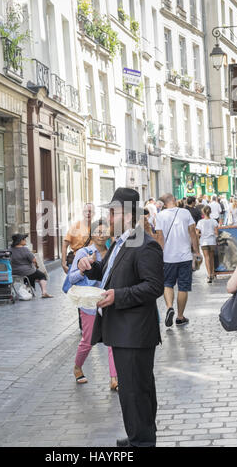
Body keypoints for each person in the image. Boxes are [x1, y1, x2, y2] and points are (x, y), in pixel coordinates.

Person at [78, 188, 164, 448]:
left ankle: (143, 441)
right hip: (123, 329)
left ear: (126, 215)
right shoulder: (121, 242)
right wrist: (90, 267)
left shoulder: (145, 245)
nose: (108, 217)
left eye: (112, 212)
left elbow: (154, 287)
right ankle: (139, 434)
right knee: (130, 389)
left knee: (137, 390)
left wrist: (118, 296)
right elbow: (108, 273)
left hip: (135, 331)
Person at [69, 219, 118, 390]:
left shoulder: (114, 251)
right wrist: (84, 267)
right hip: (89, 303)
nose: (101, 234)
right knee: (88, 341)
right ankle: (77, 367)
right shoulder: (83, 252)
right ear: (92, 233)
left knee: (113, 340)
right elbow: (71, 278)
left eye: (104, 231)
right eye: (97, 231)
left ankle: (114, 378)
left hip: (108, 301)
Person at [155, 194, 202, 327]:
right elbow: (193, 233)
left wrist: (160, 255)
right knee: (183, 287)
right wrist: (197, 251)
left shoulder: (160, 216)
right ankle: (180, 317)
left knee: (168, 284)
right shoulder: (185, 212)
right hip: (185, 256)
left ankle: (170, 307)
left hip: (168, 257)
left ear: (164, 204)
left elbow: (159, 237)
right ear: (174, 201)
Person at [10, 234, 53, 298]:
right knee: (42, 275)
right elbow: (34, 260)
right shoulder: (25, 249)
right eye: (24, 239)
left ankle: (28, 287)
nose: (25, 241)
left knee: (33, 274)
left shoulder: (10, 250)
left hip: (14, 272)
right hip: (27, 271)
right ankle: (44, 292)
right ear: (20, 241)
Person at [61, 203, 95, 274]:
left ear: (94, 213)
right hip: (75, 262)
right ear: (83, 213)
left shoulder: (96, 228)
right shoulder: (75, 226)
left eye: (90, 211)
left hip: (91, 263)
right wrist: (63, 264)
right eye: (86, 211)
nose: (88, 213)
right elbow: (64, 245)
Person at [196, 206, 219, 283]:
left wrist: (202, 235)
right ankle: (212, 273)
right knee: (212, 257)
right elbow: (216, 233)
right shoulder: (214, 221)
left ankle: (209, 275)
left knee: (207, 258)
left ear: (203, 212)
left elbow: (196, 233)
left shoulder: (200, 222)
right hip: (212, 241)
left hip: (204, 242)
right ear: (210, 212)